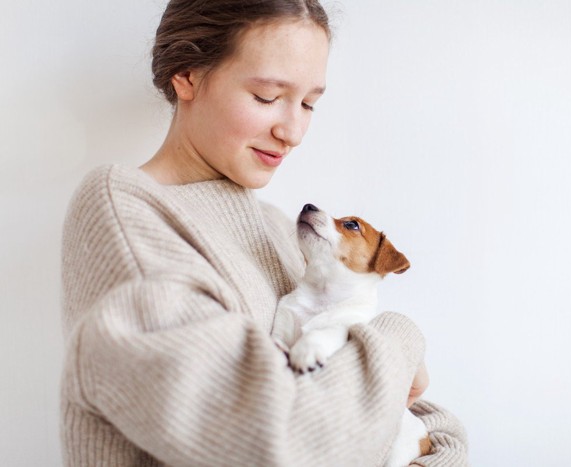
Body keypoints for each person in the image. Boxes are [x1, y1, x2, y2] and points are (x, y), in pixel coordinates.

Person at [60, 1, 468, 465]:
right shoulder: (129, 214)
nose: (293, 131)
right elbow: (289, 443)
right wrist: (401, 338)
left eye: (310, 103)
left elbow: (425, 428)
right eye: (267, 97)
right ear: (188, 74)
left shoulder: (276, 229)